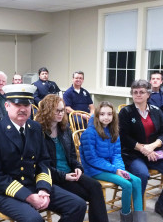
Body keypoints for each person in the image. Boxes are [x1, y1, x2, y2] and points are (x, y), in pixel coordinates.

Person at [0, 84, 87, 222]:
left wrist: (43, 189)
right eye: (17, 105)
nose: (23, 109)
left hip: (34, 185)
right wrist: (28, 196)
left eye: (27, 105)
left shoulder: (35, 128)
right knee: (34, 220)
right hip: (5, 194)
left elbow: (43, 161)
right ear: (7, 106)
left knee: (78, 205)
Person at [35, 94, 108, 222]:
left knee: (96, 187)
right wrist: (64, 176)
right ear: (47, 110)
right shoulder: (38, 132)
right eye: (57, 110)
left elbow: (73, 156)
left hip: (69, 173)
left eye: (62, 110)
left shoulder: (64, 129)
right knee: (86, 198)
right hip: (53, 177)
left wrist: (78, 167)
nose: (60, 113)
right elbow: (41, 166)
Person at [80, 101, 146, 222]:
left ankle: (139, 219)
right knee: (127, 184)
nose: (106, 117)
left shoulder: (114, 131)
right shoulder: (89, 133)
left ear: (113, 116)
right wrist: (115, 170)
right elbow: (92, 159)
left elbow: (116, 154)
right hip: (94, 170)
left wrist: (119, 168)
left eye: (109, 114)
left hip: (111, 168)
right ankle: (126, 217)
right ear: (97, 115)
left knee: (137, 181)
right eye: (102, 114)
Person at [119, 79, 163, 220]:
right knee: (142, 174)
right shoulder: (126, 112)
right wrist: (143, 149)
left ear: (148, 94)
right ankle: (137, 210)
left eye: (141, 92)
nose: (138, 95)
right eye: (135, 92)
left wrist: (152, 147)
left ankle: (162, 205)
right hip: (133, 154)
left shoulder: (156, 111)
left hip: (154, 153)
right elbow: (123, 137)